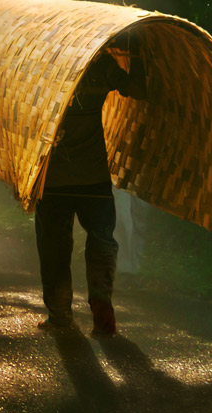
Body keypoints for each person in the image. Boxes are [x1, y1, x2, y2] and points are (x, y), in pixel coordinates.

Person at [35, 32, 146, 336]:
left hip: (55, 180)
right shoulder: (100, 66)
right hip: (93, 179)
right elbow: (138, 88)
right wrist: (136, 54)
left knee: (54, 246)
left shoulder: (49, 68)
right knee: (102, 240)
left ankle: (59, 316)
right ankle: (103, 316)